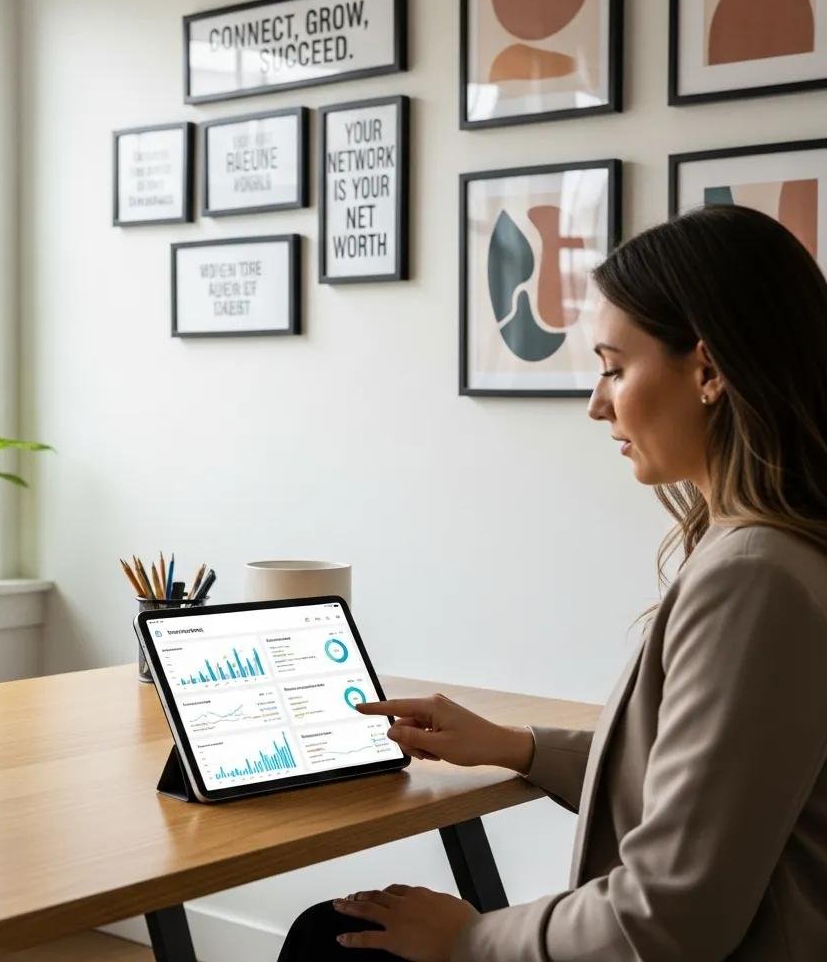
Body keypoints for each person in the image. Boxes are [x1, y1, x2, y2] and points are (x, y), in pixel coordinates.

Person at [277, 205, 827, 962]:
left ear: (707, 370)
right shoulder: (782, 555)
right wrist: (517, 746)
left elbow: (668, 917)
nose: (598, 403)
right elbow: (712, 776)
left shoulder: (754, 580)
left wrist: (469, 938)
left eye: (613, 367)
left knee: (333, 938)